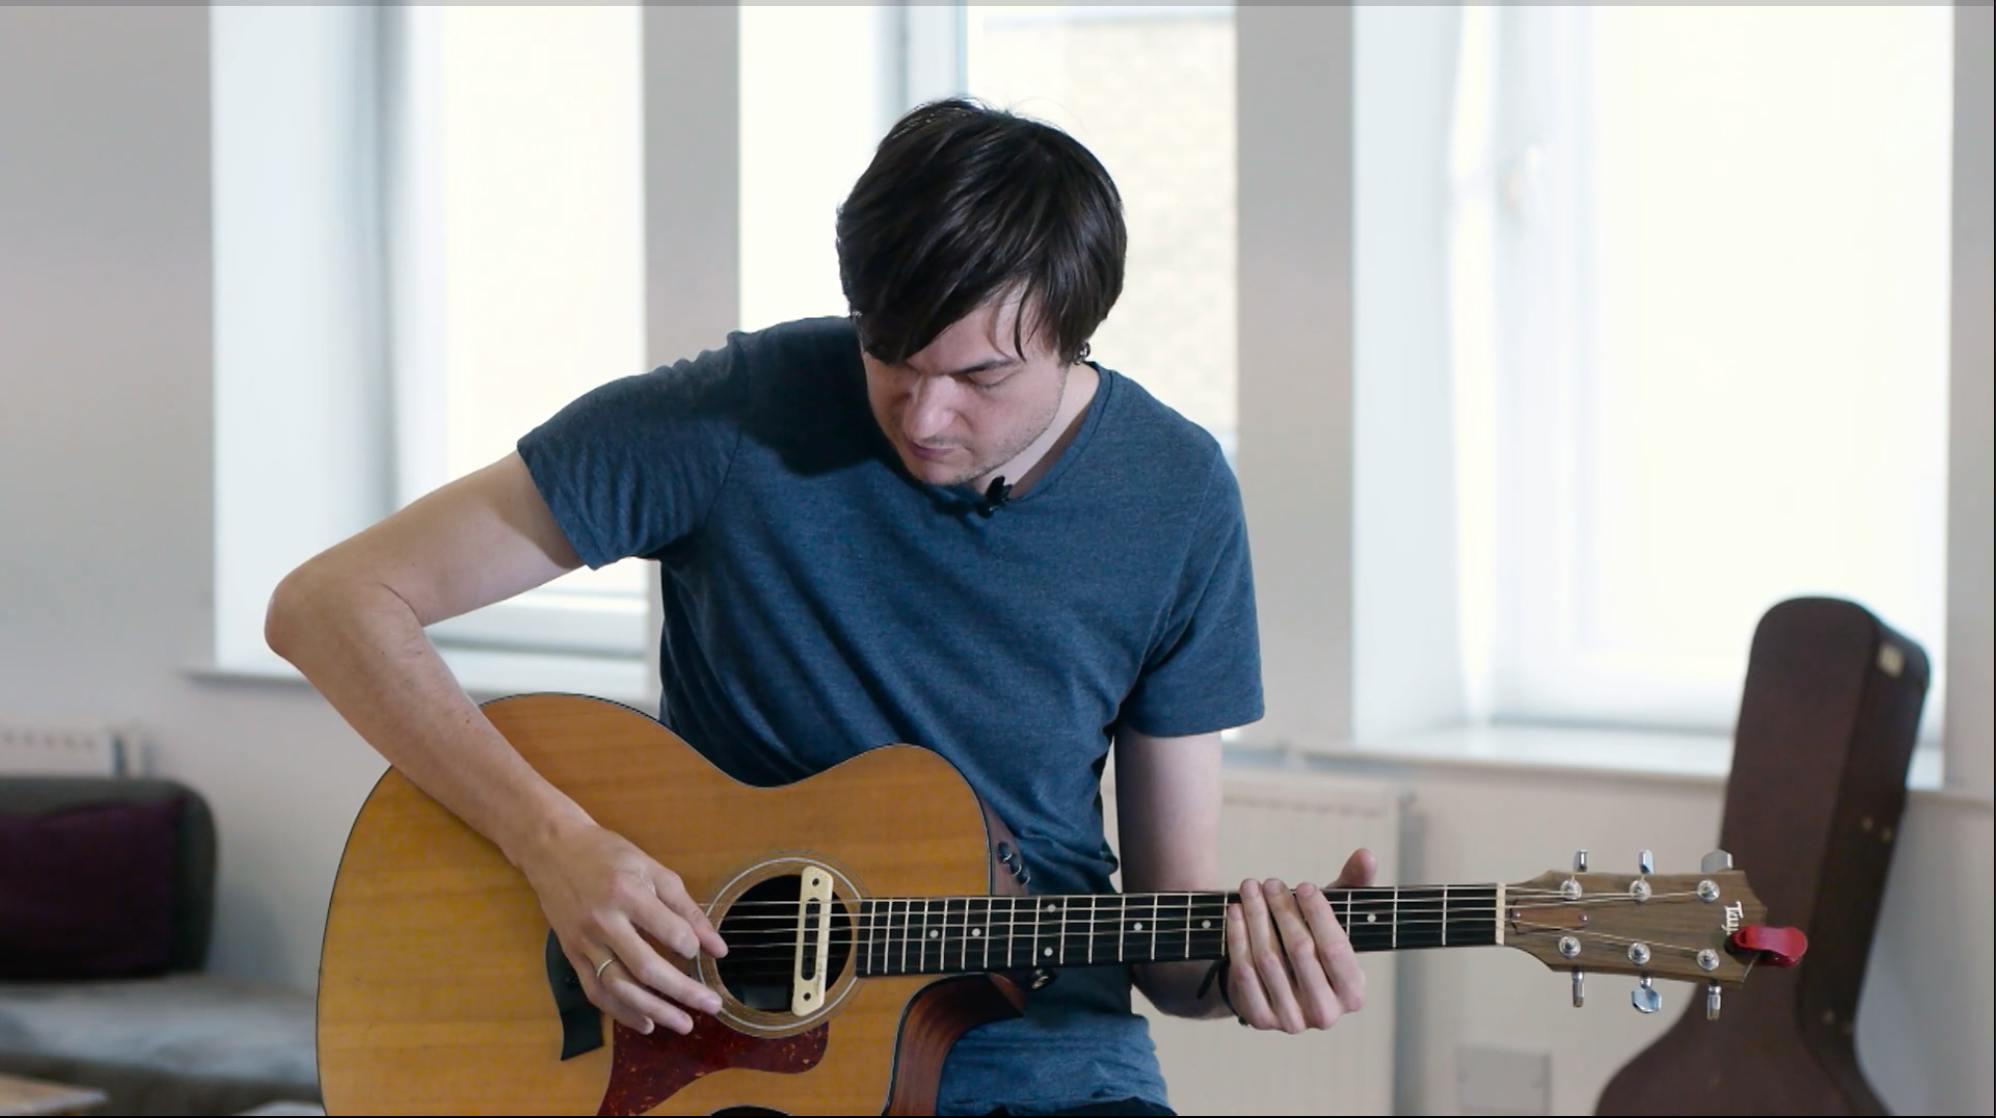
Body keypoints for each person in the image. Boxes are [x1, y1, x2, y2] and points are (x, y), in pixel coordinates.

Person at [267, 97, 1373, 1117]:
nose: (923, 411)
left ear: (1076, 332)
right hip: (711, 1051)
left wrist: (1248, 964)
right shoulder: (734, 417)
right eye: (887, 352)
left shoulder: (1176, 495)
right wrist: (551, 839)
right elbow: (328, 604)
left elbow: (1172, 956)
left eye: (979, 376)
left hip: (1046, 1062)